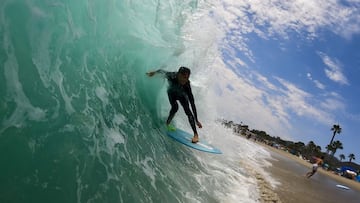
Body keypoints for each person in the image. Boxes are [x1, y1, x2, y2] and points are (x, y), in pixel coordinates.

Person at [146, 67, 202, 143]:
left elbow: (192, 103)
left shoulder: (187, 85)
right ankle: (167, 123)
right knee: (175, 107)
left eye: (187, 78)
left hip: (182, 96)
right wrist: (153, 73)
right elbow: (161, 71)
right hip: (171, 93)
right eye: (184, 77)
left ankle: (196, 135)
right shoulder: (172, 76)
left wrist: (196, 120)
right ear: (178, 74)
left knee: (188, 112)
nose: (185, 80)